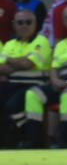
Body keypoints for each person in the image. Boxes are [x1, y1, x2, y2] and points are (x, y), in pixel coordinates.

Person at [2, 10, 51, 148]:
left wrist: (9, 60)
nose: (24, 25)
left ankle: (30, 140)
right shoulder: (9, 44)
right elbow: (1, 68)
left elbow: (28, 64)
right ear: (14, 25)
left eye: (28, 22)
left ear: (35, 24)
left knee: (12, 106)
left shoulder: (42, 41)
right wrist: (21, 62)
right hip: (11, 84)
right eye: (20, 22)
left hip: (34, 84)